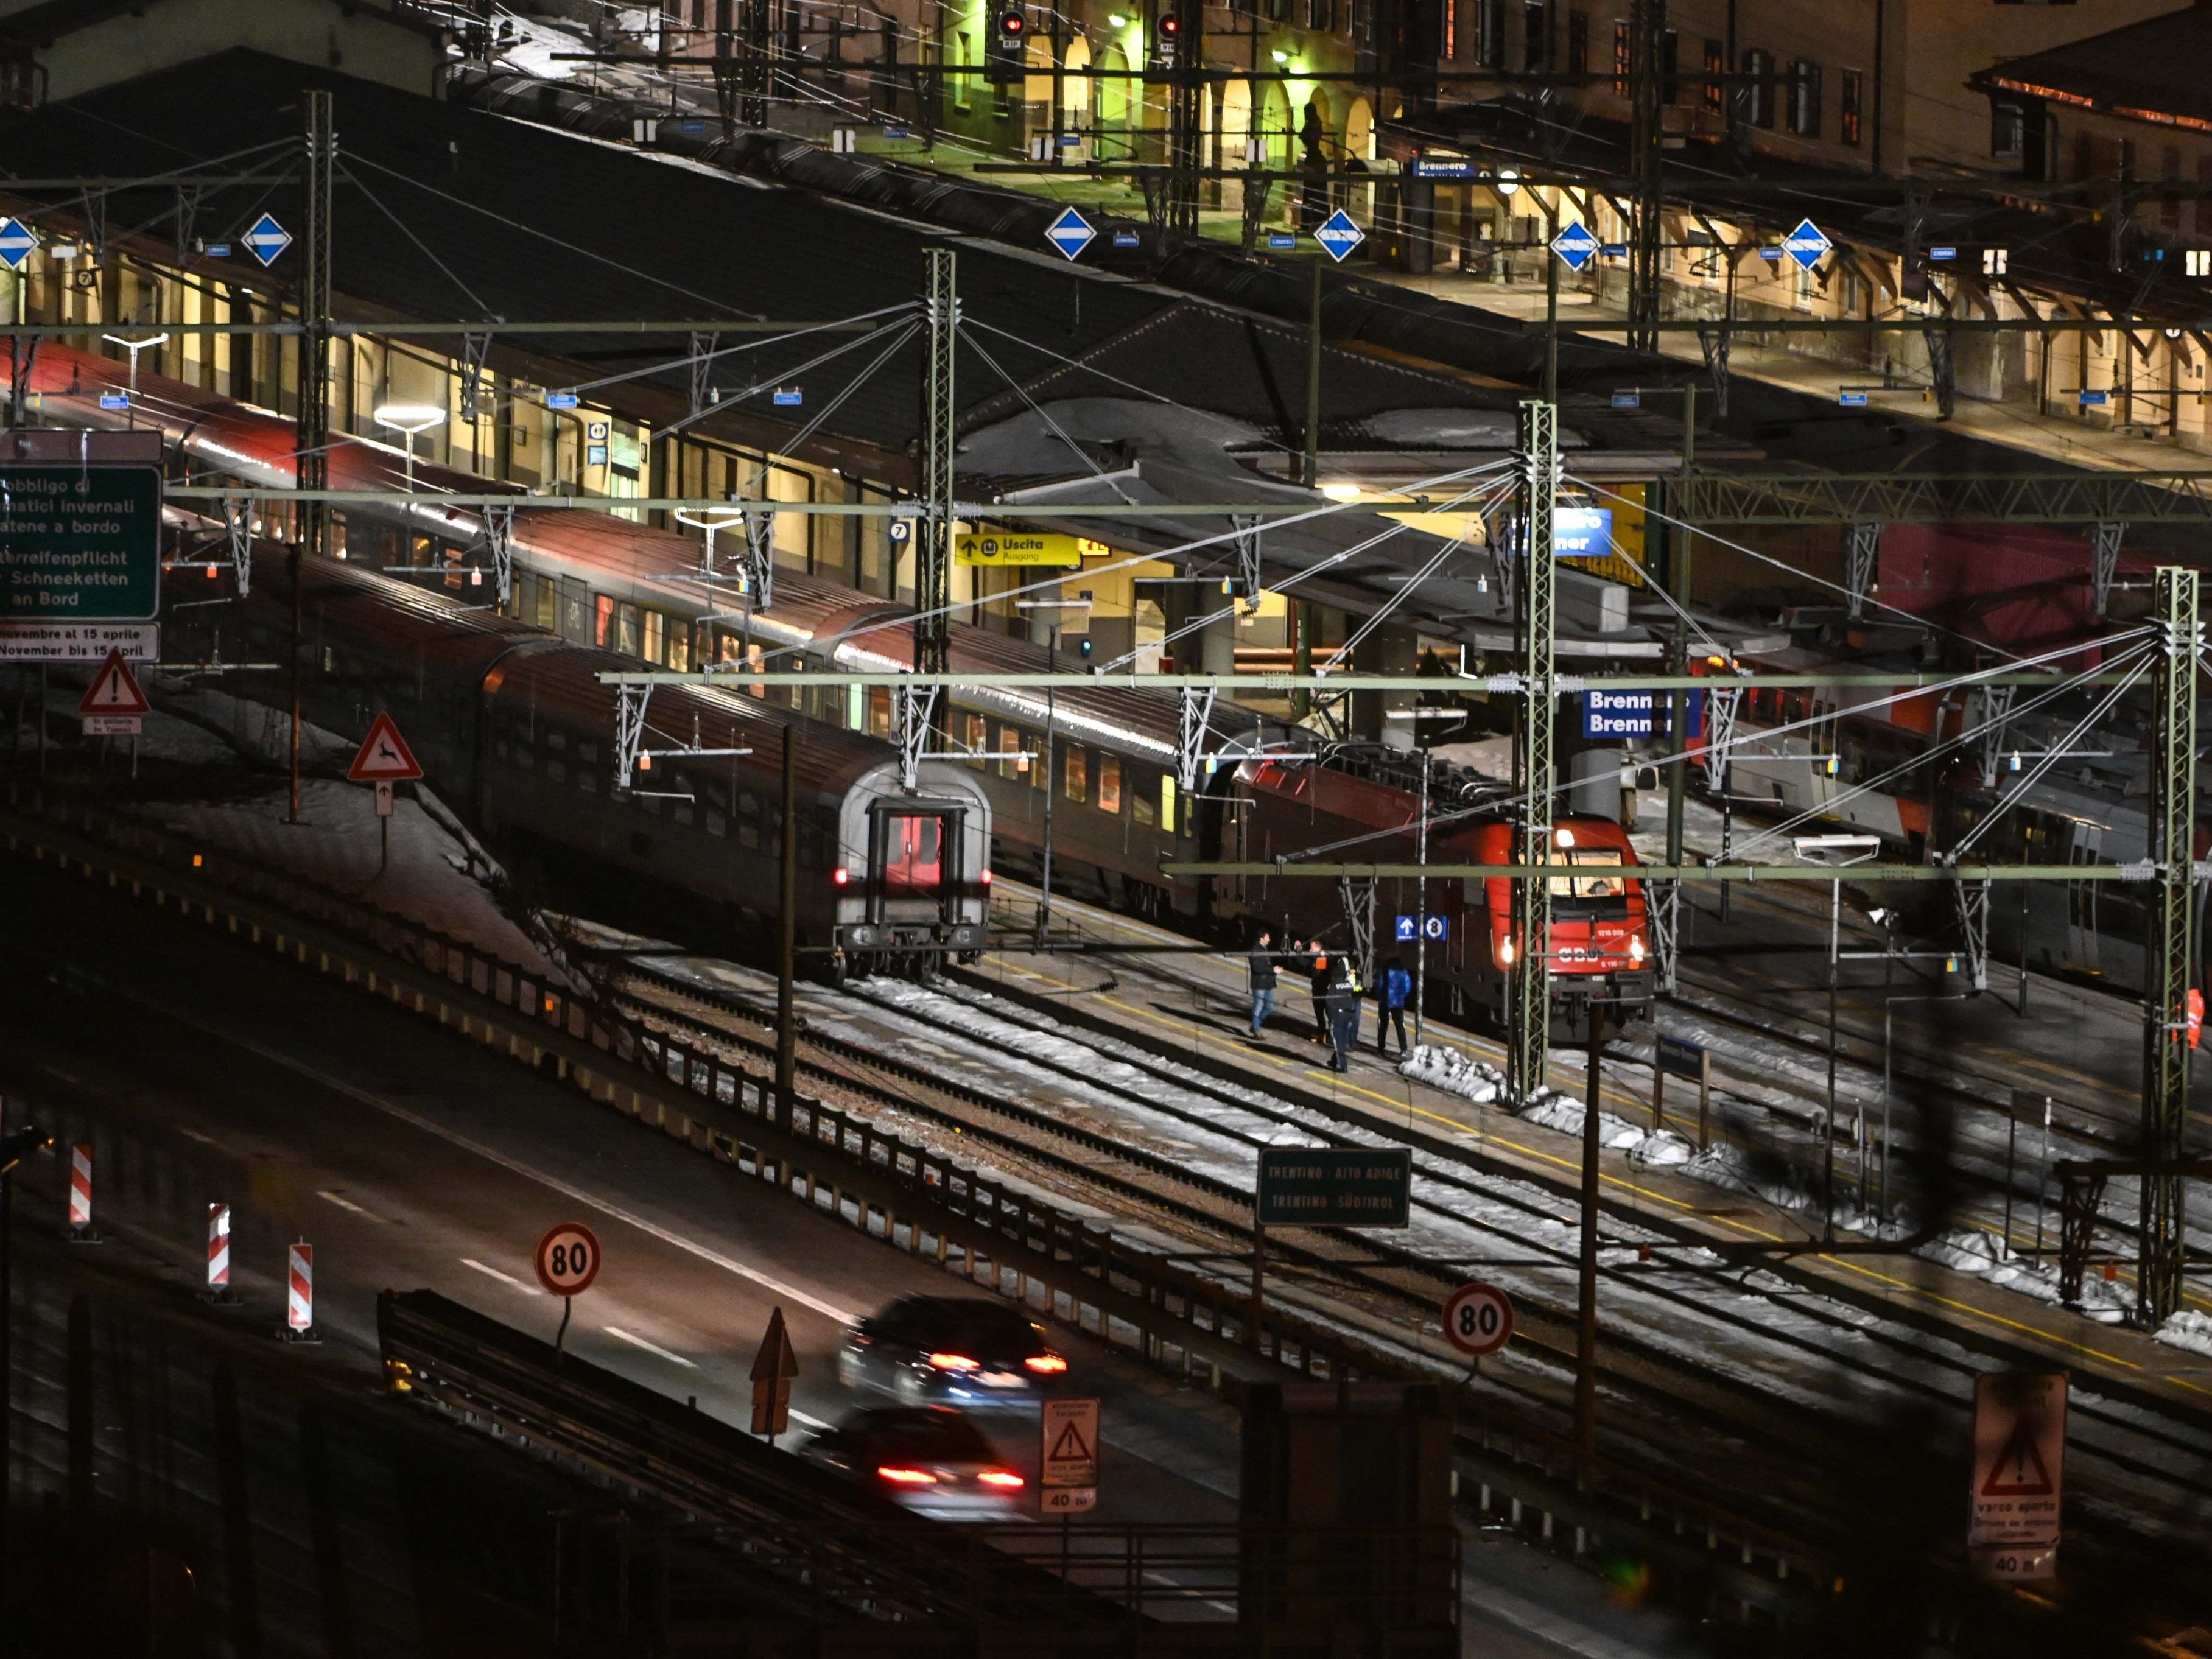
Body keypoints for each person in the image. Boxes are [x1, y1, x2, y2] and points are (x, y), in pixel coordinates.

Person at [1325, 955, 1363, 1072]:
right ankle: (1334, 1061)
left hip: (1338, 1016)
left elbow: (1329, 1001)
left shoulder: (1334, 985)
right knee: (1341, 1040)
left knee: (1337, 1041)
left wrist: (1332, 1016)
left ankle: (1343, 1066)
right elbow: (1354, 997)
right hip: (1347, 1015)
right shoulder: (1349, 983)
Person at [1376, 955, 1413, 1058]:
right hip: (1398, 1003)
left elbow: (1380, 984)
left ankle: (1381, 1047)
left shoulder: (1385, 970)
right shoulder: (1403, 971)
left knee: (1383, 1026)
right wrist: (1401, 996)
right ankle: (1403, 1049)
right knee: (1400, 1026)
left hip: (1386, 1001)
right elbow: (1408, 985)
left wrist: (1380, 996)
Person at [1247, 929, 1277, 1039]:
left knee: (1269, 1007)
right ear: (1262, 939)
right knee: (1258, 1006)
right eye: (1267, 937)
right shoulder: (1256, 951)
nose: (1269, 939)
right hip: (1259, 984)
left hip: (1267, 984)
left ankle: (1256, 1025)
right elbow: (1258, 968)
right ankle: (1256, 1031)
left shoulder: (1263, 949)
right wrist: (1273, 971)